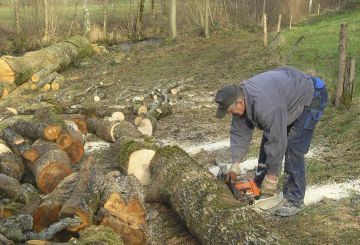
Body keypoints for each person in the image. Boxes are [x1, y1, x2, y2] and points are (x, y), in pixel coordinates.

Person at [215, 66, 328, 217]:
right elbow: (239, 133)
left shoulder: (265, 107)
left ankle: (295, 199)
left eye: (230, 111)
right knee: (271, 137)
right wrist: (235, 164)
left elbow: (277, 140)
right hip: (284, 95)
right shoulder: (240, 97)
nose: (231, 114)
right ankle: (259, 184)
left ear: (240, 102)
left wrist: (272, 176)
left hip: (312, 95)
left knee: (292, 146)